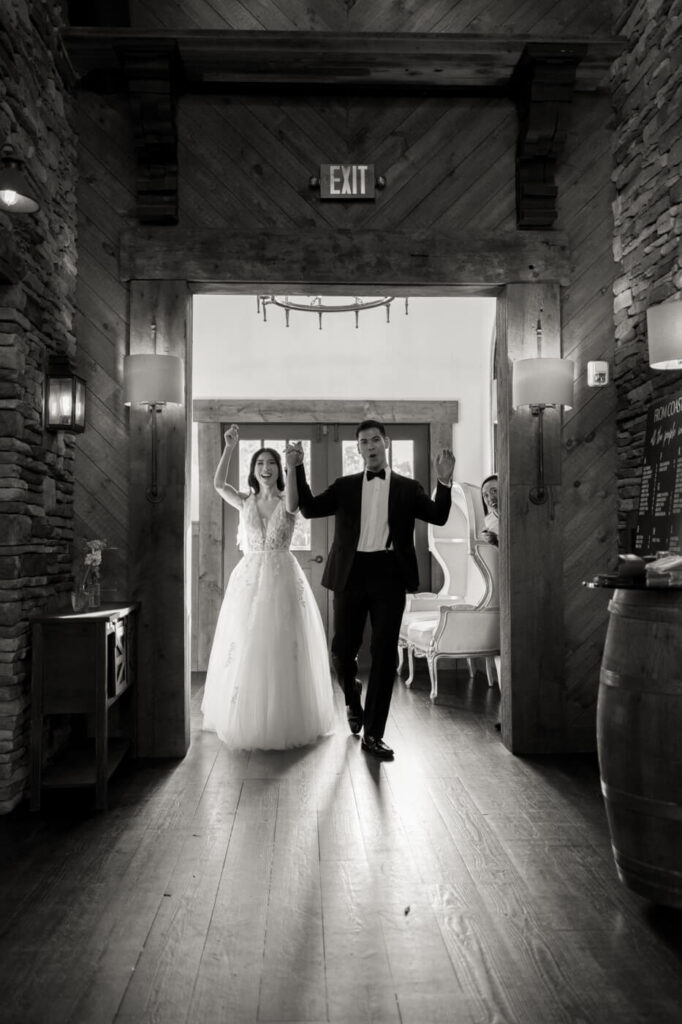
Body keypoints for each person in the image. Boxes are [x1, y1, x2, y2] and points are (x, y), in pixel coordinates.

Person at [286, 419, 455, 761]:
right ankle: (352, 696)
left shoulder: (409, 488)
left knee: (384, 654)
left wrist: (444, 481)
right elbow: (309, 508)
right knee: (341, 652)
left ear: (385, 443)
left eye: (375, 440)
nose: (370, 446)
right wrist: (297, 466)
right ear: (358, 449)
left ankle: (374, 735)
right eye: (364, 442)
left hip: (390, 575)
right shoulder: (345, 486)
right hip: (350, 574)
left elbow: (438, 516)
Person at [201, 425, 334, 750]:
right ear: (253, 469)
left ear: (278, 469)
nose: (265, 468)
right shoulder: (244, 500)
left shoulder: (288, 501)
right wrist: (229, 446)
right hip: (248, 578)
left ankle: (282, 717)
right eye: (260, 463)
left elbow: (294, 501)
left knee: (280, 643)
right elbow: (218, 484)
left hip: (281, 577)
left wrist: (293, 462)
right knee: (246, 644)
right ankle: (246, 715)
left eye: (271, 463)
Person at [480, 474, 499, 546]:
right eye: (486, 495)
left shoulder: (519, 514)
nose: (490, 498)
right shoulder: (488, 521)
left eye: (494, 491)